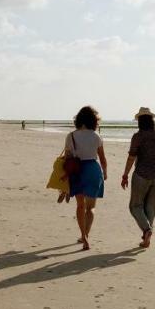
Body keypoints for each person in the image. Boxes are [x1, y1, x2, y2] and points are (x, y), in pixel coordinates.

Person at [121, 107, 155, 248]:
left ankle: (147, 230)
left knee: (135, 206)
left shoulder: (138, 136)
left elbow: (132, 157)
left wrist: (125, 174)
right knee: (151, 206)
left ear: (140, 121)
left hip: (141, 175)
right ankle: (146, 237)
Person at [65, 105, 109, 251]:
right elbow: (102, 158)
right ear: (93, 120)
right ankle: (86, 235)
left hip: (77, 170)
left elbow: (68, 157)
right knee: (91, 208)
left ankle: (83, 236)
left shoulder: (71, 136)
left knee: (80, 206)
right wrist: (105, 172)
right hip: (93, 170)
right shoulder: (96, 136)